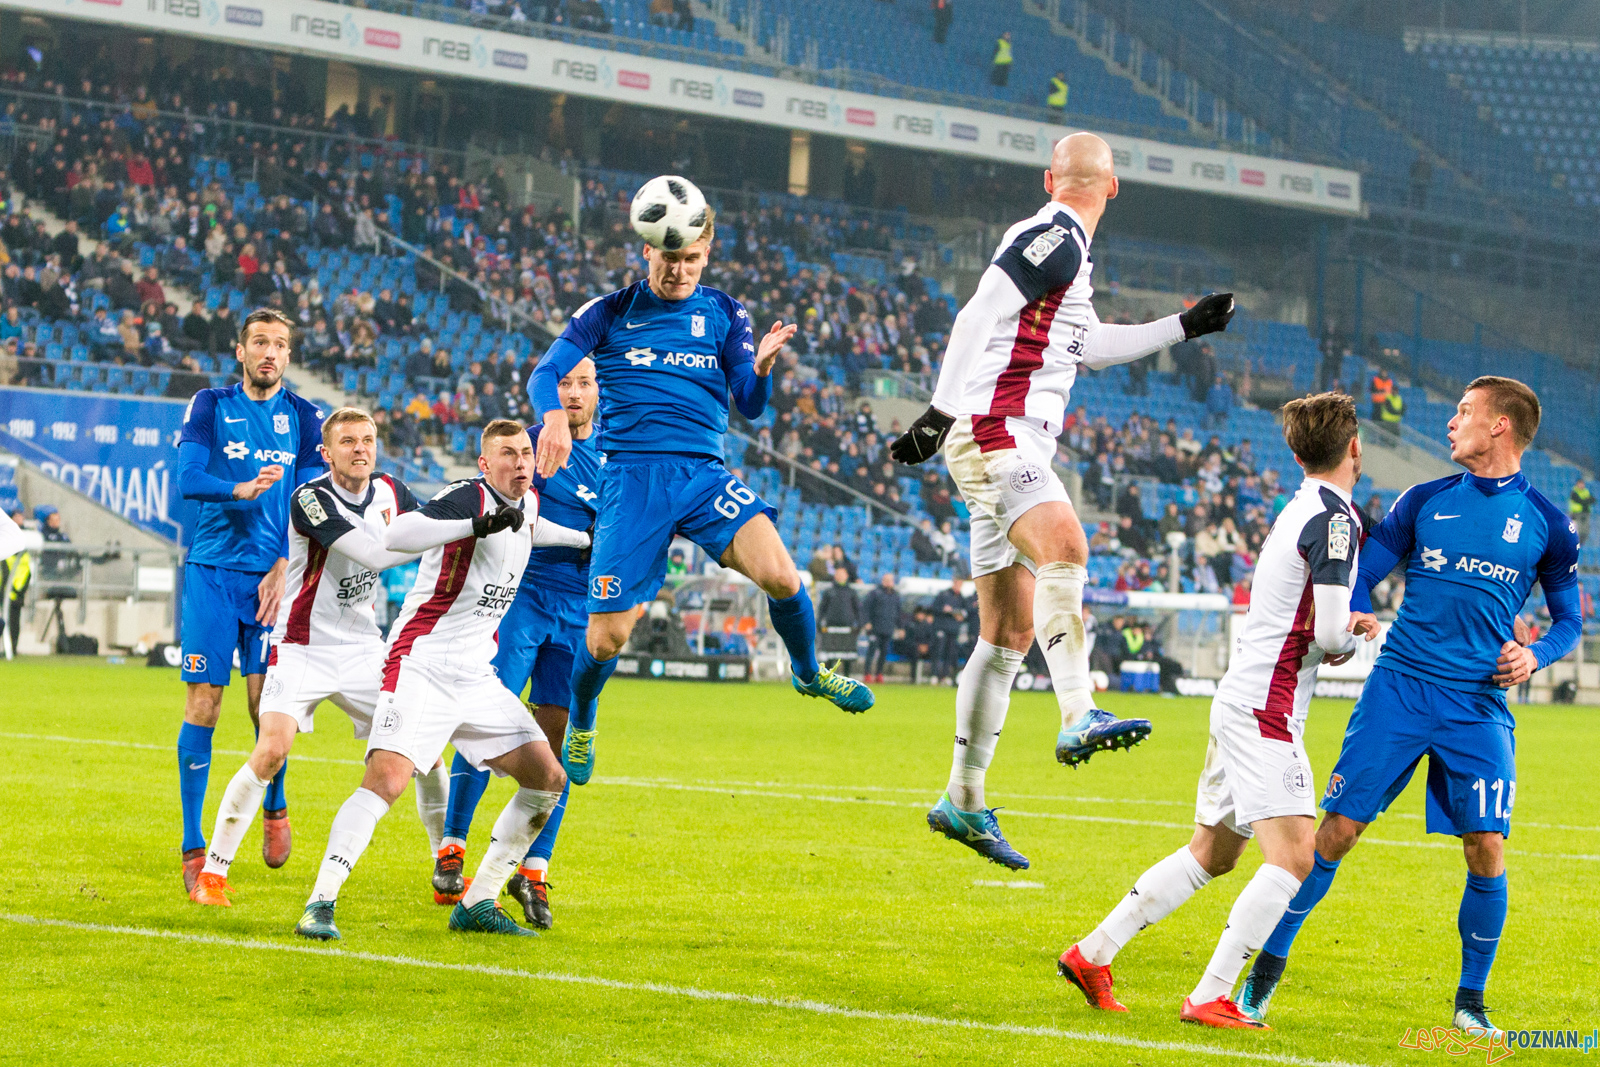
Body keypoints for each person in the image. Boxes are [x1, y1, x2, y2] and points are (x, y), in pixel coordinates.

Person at [889, 133, 1234, 869]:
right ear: (1115, 188)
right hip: (993, 429)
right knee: (1068, 548)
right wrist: (939, 411)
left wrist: (1185, 325)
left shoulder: (1064, 252)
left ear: (1052, 178)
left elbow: (1089, 346)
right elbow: (977, 311)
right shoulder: (1057, 238)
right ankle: (1078, 710)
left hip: (1005, 435)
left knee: (1008, 634)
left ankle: (964, 798)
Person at [1239, 377, 1581, 1036]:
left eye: (1463, 412)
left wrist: (1536, 656)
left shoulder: (1548, 523)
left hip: (1478, 704)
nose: (1451, 423)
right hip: (1399, 688)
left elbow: (1568, 618)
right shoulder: (1422, 500)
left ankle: (1471, 1002)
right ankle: (1260, 978)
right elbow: (1365, 569)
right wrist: (1355, 606)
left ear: (1500, 426)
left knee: (1486, 845)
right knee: (1334, 834)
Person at [531, 200, 873, 788]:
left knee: (784, 578)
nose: (679, 270)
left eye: (691, 258)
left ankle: (811, 672)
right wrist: (553, 417)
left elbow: (750, 405)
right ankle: (584, 714)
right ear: (647, 250)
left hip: (703, 475)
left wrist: (761, 369)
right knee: (606, 637)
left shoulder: (724, 313)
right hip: (632, 480)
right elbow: (545, 372)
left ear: (706, 254)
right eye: (669, 257)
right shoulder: (609, 312)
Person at [1060, 392, 1371, 1028]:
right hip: (1267, 707)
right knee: (1294, 859)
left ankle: (1092, 953)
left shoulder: (1298, 508)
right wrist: (1360, 629)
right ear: (1356, 447)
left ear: (1294, 453)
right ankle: (1211, 995)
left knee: (1214, 853)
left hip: (1242, 696)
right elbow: (1335, 635)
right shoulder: (1337, 519)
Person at [292, 420, 590, 941]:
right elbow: (397, 535)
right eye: (507, 454)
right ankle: (320, 903)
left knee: (547, 778)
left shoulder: (530, 506)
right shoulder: (465, 497)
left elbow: (536, 532)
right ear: (484, 464)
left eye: (525, 453)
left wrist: (589, 540)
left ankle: (478, 902)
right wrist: (474, 526)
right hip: (422, 664)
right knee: (386, 780)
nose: (520, 463)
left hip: (475, 676)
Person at [189, 408, 426, 906]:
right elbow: (374, 553)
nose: (360, 449)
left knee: (421, 747)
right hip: (301, 648)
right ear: (326, 452)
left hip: (363, 649)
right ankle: (213, 875)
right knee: (272, 749)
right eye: (348, 442)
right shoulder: (310, 498)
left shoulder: (392, 491)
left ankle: (448, 864)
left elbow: (430, 523)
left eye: (367, 440)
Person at [434, 358, 603, 930]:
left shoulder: (620, 452)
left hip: (583, 609)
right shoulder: (528, 447)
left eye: (584, 383)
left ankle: (533, 869)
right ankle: (453, 843)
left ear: (599, 390)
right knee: (488, 718)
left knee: (558, 743)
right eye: (564, 383)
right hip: (523, 600)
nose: (574, 393)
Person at [174, 308, 326, 894]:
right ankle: (193, 848)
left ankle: (276, 804)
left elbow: (314, 504)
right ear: (241, 351)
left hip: (272, 580)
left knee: (267, 707)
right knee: (205, 706)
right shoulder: (210, 405)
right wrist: (238, 489)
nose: (269, 352)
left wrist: (285, 563)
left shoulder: (305, 418)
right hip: (212, 576)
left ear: (288, 356)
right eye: (259, 342)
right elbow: (188, 477)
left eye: (280, 344)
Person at [861, 573, 902, 683]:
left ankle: (879, 673)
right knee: (871, 651)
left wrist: (900, 627)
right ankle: (867, 673)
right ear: (883, 581)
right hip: (875, 628)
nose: (889, 582)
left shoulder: (895, 595)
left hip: (888, 628)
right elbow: (866, 608)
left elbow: (898, 612)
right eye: (887, 580)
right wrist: (867, 622)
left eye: (891, 580)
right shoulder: (874, 593)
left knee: (884, 653)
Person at [1568, 477, 1593, 545]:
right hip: (1576, 514)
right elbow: (1579, 500)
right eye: (1580, 484)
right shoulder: (1574, 491)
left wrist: (1585, 501)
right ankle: (1576, 543)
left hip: (1585, 513)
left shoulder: (1586, 491)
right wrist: (1586, 501)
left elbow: (1593, 500)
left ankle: (1581, 543)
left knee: (1585, 531)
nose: (1582, 485)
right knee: (1577, 530)